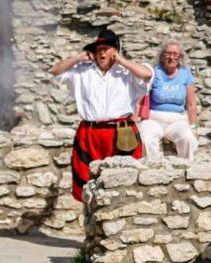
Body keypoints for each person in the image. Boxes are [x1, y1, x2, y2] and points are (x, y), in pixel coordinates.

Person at [51, 31, 153, 200]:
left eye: (106, 48)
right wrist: (79, 57)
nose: (102, 52)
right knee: (86, 182)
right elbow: (55, 71)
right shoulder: (82, 71)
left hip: (122, 132)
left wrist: (121, 60)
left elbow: (147, 74)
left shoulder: (127, 72)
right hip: (89, 133)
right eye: (99, 49)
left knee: (124, 183)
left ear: (115, 51)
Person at [137, 39, 198, 160]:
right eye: (168, 53)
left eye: (175, 54)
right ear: (162, 56)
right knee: (146, 139)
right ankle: (152, 167)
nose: (171, 57)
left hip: (177, 119)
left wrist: (193, 127)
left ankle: (186, 167)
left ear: (180, 57)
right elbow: (139, 98)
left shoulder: (186, 73)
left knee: (188, 139)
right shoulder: (154, 72)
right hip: (153, 118)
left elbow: (191, 105)